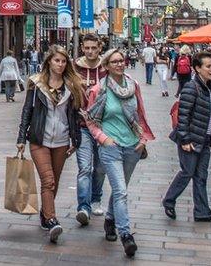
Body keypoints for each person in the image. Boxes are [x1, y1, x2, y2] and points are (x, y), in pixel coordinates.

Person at [86, 48, 155, 258]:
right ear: (106, 66)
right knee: (121, 191)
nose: (119, 64)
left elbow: (140, 114)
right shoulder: (99, 89)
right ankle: (125, 234)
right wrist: (103, 138)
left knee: (119, 190)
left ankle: (109, 220)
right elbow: (90, 119)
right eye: (114, 62)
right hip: (110, 146)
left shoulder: (133, 86)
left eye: (121, 61)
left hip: (132, 146)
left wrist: (143, 139)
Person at [16, 45, 85, 243]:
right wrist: (21, 138)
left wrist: (76, 138)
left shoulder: (71, 86)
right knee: (48, 181)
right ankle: (53, 220)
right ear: (49, 62)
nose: (60, 65)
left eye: (63, 61)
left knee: (54, 181)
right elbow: (26, 112)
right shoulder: (36, 84)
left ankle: (45, 213)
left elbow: (74, 114)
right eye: (57, 61)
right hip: (40, 139)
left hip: (62, 141)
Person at [162, 51, 211, 224]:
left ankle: (202, 212)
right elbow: (183, 116)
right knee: (187, 172)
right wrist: (186, 140)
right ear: (197, 68)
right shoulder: (191, 87)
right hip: (191, 139)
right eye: (208, 66)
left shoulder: (209, 88)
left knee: (201, 176)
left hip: (204, 139)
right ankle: (169, 200)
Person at [74, 33, 108, 224]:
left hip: (103, 126)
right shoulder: (75, 67)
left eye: (93, 48)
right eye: (87, 48)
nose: (90, 51)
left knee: (101, 167)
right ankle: (83, 207)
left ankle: (96, 198)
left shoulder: (106, 68)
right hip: (82, 125)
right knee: (85, 168)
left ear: (99, 48)